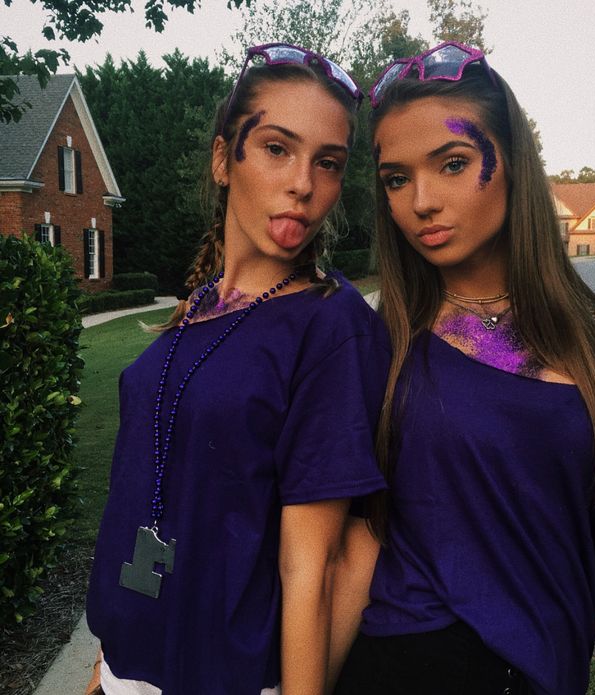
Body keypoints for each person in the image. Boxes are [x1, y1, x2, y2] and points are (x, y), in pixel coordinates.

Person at [332, 42, 595, 695]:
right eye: (397, 179)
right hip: (397, 662)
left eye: (453, 163)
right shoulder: (384, 341)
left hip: (538, 673)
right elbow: (356, 538)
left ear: (512, 161)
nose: (420, 201)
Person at [85, 43, 390, 695]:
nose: (304, 184)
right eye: (278, 148)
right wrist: (106, 662)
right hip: (125, 668)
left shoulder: (330, 325)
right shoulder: (194, 306)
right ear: (225, 158)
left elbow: (316, 563)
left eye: (327, 162)